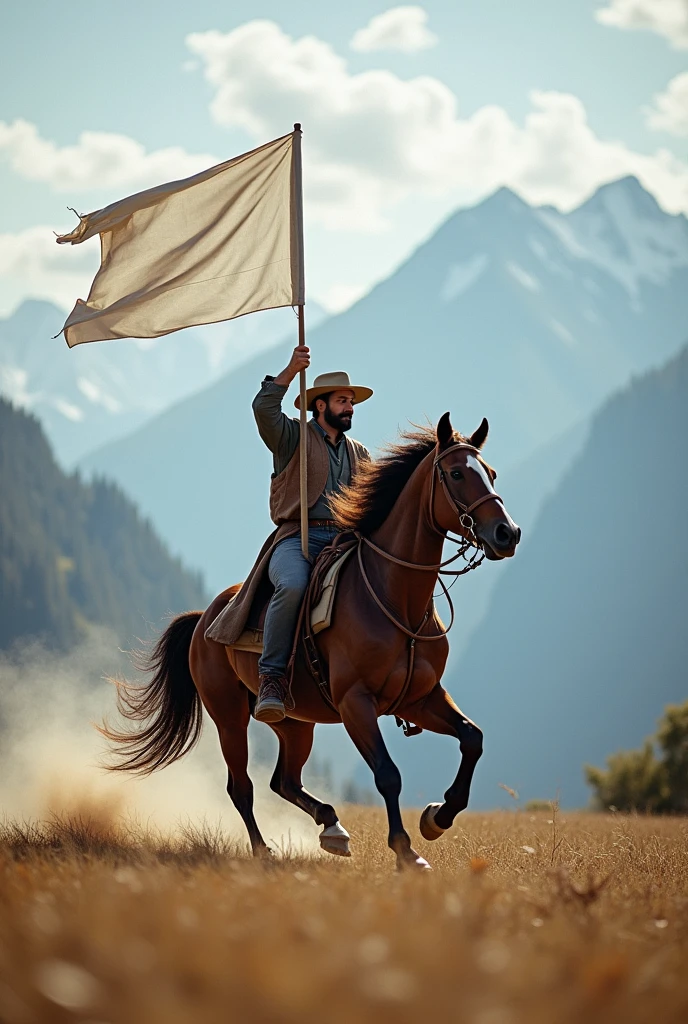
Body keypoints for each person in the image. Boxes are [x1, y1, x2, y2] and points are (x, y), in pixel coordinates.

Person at [251, 345, 373, 722]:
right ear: (320, 406)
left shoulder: (361, 454)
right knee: (292, 584)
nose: (349, 407)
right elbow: (263, 410)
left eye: (351, 401)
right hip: (297, 539)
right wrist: (291, 369)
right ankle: (272, 678)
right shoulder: (290, 437)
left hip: (345, 542)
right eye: (342, 400)